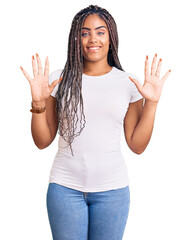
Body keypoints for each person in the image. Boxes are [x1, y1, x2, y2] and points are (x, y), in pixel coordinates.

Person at [20, 4, 171, 240]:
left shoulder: (128, 83)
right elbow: (42, 141)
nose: (93, 39)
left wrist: (151, 103)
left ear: (111, 38)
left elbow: (137, 146)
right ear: (76, 39)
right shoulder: (59, 79)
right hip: (64, 189)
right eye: (85, 32)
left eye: (100, 32)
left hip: (112, 192)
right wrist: (38, 102)